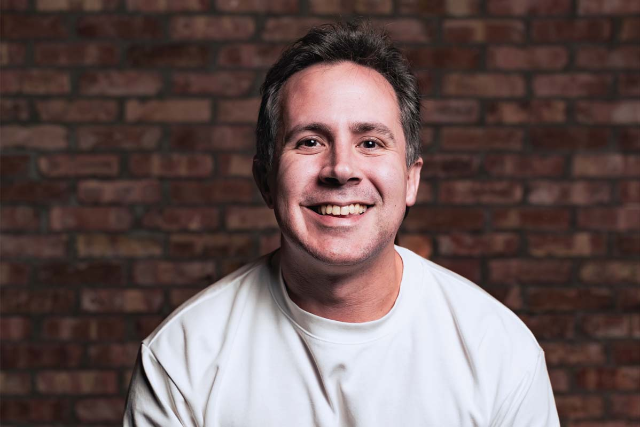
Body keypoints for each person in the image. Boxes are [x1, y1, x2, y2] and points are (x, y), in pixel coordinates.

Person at [124, 21, 560, 426]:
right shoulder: (182, 359)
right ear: (265, 180)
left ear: (411, 179)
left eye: (370, 142)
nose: (341, 169)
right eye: (310, 141)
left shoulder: (499, 351)